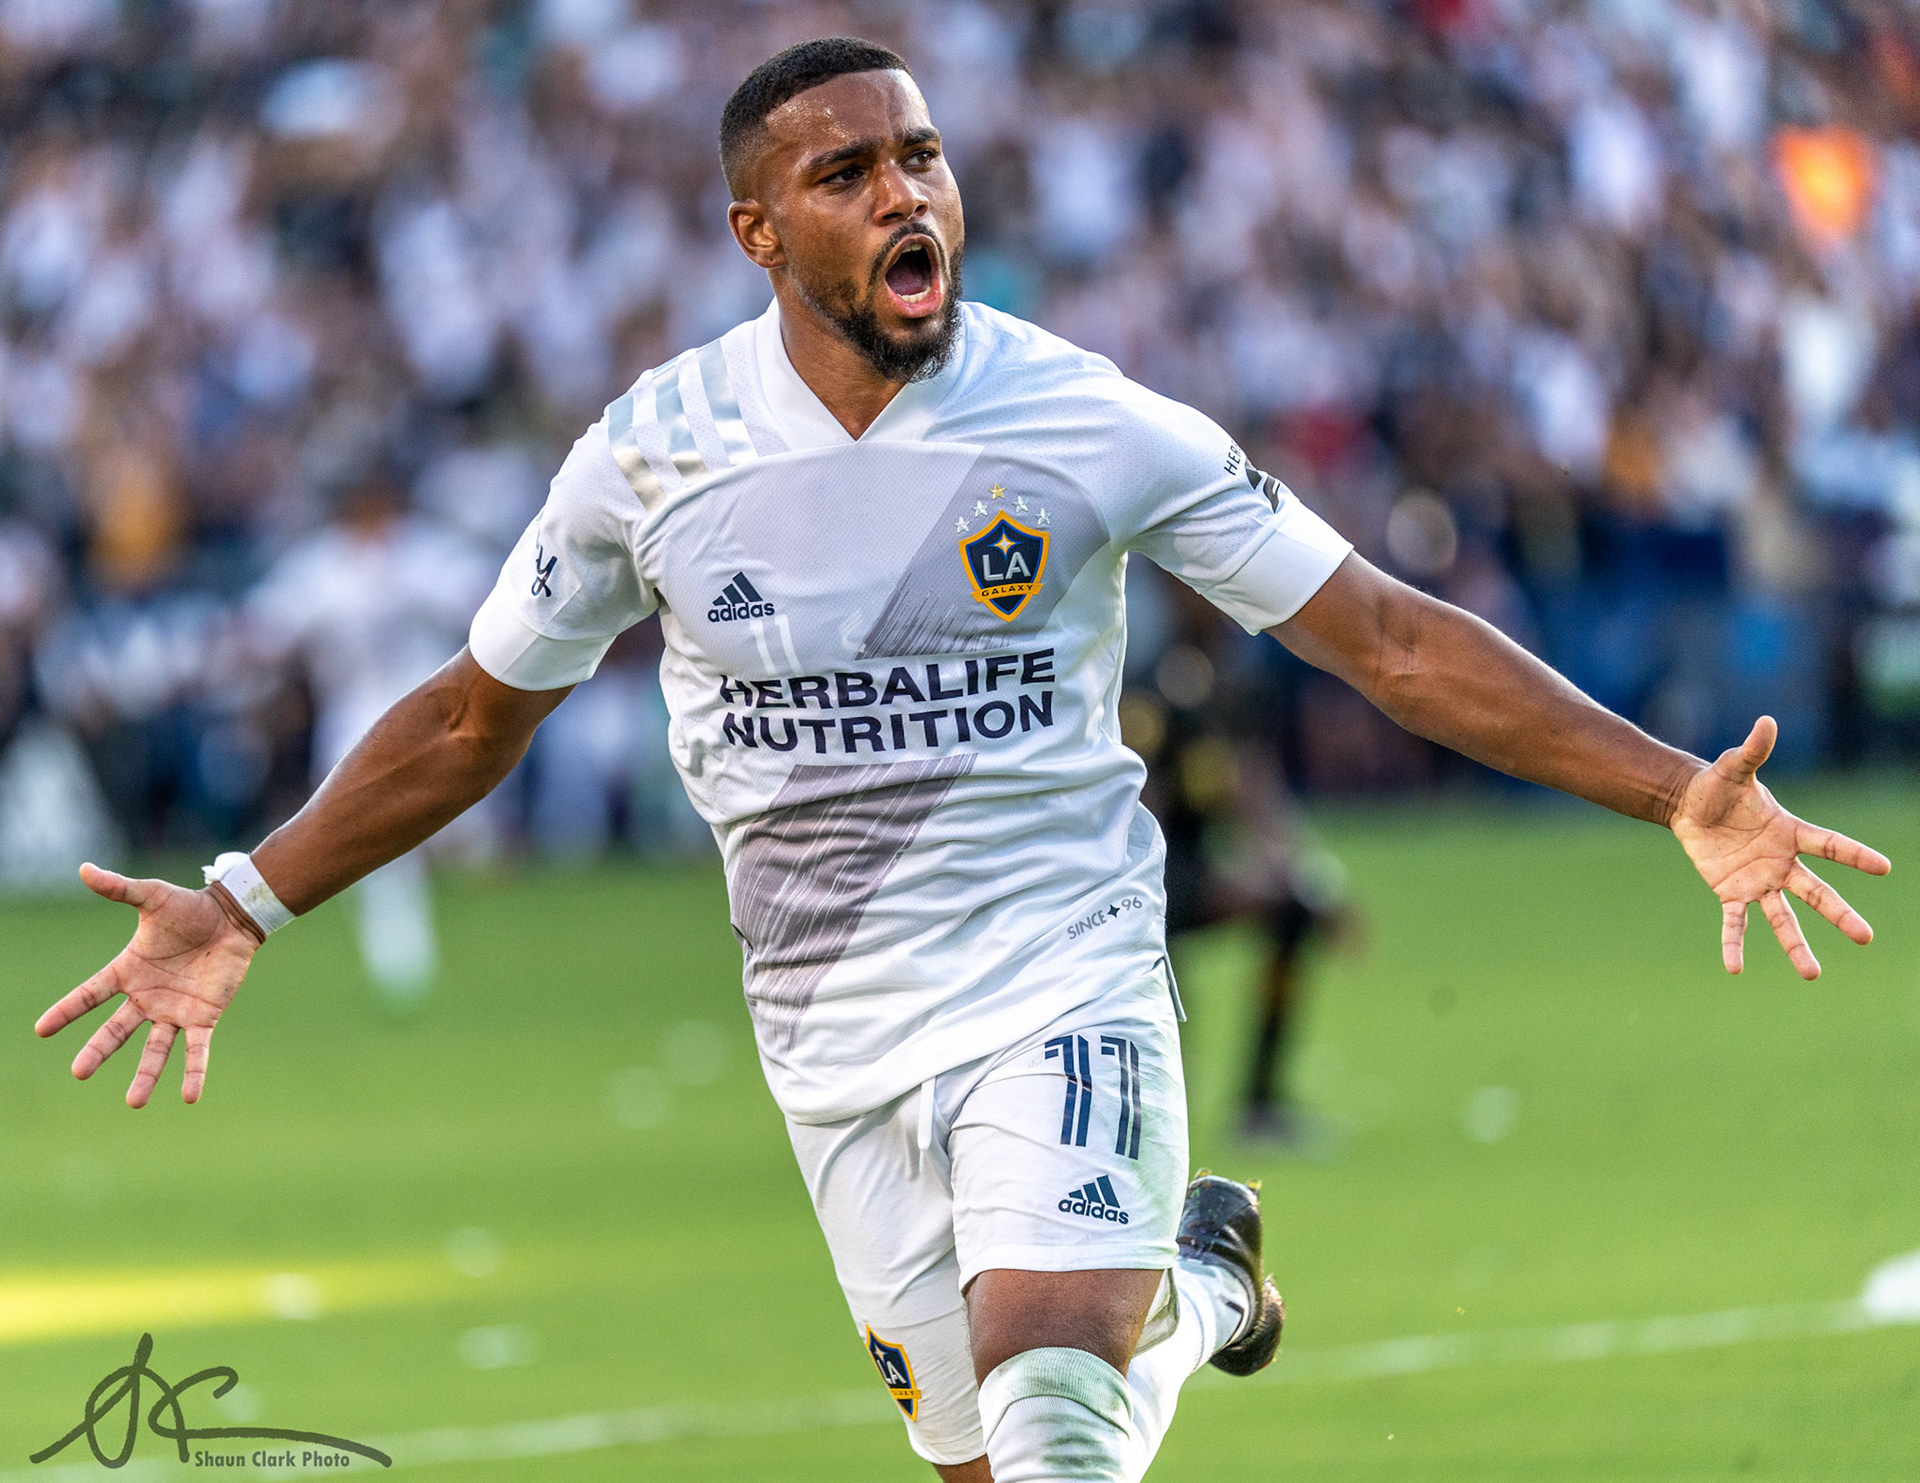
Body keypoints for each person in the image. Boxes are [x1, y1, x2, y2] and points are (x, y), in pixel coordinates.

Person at [35, 39, 1889, 1483]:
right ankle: (1217, 1277)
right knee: (994, 1448)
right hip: (828, 1035)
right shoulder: (653, 454)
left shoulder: (1085, 420)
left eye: (921, 156)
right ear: (761, 233)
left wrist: (1672, 787)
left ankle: (1168, 1283)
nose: (905, 191)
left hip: (1057, 979)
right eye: (846, 172)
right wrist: (250, 896)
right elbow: (470, 715)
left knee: (1057, 1421)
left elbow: (1386, 636)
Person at [244, 460, 497, 1009]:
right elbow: (263, 629)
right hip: (355, 722)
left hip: (437, 711)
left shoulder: (424, 551)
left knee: (474, 850)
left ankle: (491, 971)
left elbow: (491, 600)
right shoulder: (322, 564)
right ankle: (404, 973)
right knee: (375, 851)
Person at [1124, 578, 1352, 1147]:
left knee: (1294, 909)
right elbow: (1138, 808)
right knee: (1165, 983)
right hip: (1144, 876)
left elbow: (1251, 788)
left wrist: (1297, 869)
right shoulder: (1151, 686)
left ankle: (1261, 1103)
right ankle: (1159, 1110)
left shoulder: (1229, 683)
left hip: (1193, 873)